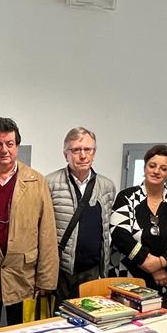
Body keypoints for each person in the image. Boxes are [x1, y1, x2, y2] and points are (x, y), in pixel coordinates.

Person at [0, 117, 58, 331]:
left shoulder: (36, 181)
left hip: (25, 277)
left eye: (10, 144)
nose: (4, 150)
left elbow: (47, 232)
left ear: (17, 147)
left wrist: (47, 278)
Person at [110, 144, 167, 292]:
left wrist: (160, 263)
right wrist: (149, 264)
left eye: (164, 168)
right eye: (152, 166)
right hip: (126, 277)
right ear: (145, 167)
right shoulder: (126, 197)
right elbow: (119, 234)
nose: (156, 171)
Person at [46, 127, 117, 302]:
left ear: (94, 153)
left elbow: (108, 230)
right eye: (76, 150)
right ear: (66, 154)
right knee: (57, 322)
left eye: (88, 149)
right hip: (60, 271)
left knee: (90, 318)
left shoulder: (107, 187)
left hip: (92, 271)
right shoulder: (49, 184)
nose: (83, 155)